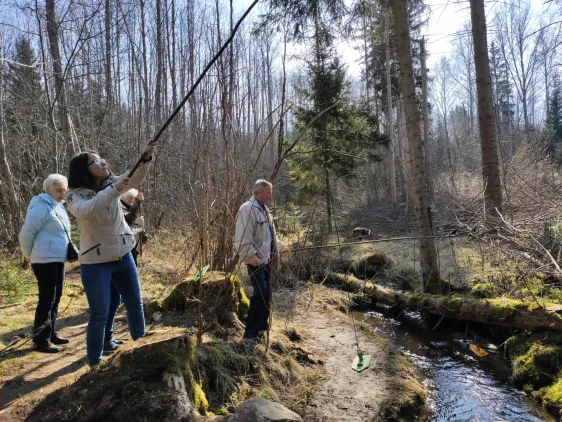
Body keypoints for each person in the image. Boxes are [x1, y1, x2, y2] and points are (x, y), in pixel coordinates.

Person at [66, 146, 154, 366]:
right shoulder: (73, 194)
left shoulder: (111, 183)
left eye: (103, 159)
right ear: (84, 170)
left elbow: (134, 178)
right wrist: (114, 189)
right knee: (99, 314)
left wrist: (145, 159)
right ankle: (95, 363)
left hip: (123, 255)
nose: (103, 163)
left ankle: (140, 350)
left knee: (135, 303)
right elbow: (87, 210)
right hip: (95, 263)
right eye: (96, 161)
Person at [19, 174, 71, 353]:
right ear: (48, 190)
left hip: (57, 259)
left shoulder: (58, 206)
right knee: (47, 300)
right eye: (59, 190)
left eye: (65, 190)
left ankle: (51, 333)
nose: (63, 194)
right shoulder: (41, 207)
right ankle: (41, 340)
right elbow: (26, 233)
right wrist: (28, 255)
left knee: (56, 298)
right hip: (44, 260)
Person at [234, 179, 290, 340]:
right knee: (260, 294)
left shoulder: (265, 210)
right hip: (255, 261)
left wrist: (281, 248)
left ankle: (262, 328)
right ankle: (250, 334)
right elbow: (241, 237)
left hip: (267, 260)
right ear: (258, 193)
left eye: (271, 192)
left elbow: (270, 236)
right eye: (268, 192)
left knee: (266, 293)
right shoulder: (247, 209)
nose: (271, 196)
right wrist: (250, 257)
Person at [120, 188, 146, 266]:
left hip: (133, 243)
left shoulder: (130, 207)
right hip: (124, 244)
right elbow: (127, 222)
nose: (132, 200)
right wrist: (137, 225)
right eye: (130, 197)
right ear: (123, 196)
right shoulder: (119, 208)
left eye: (133, 198)